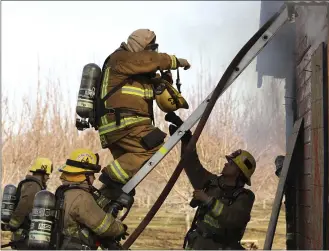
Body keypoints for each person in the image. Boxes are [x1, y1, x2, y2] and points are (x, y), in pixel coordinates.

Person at [96, 28, 191, 200]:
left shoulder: (133, 69)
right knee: (154, 146)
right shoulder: (121, 58)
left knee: (125, 174)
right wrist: (176, 61)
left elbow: (145, 83)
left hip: (118, 126)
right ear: (140, 45)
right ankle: (109, 177)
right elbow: (150, 60)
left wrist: (162, 84)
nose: (152, 52)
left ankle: (105, 199)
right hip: (125, 124)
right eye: (150, 47)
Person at [168, 122, 256, 250]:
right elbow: (192, 165)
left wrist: (208, 201)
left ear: (239, 172)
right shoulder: (211, 182)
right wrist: (187, 141)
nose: (226, 164)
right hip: (197, 245)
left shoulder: (245, 197)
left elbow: (234, 218)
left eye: (231, 163)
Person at [56, 148, 128, 250]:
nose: (94, 178)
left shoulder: (64, 192)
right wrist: (120, 228)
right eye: (92, 174)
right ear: (84, 175)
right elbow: (104, 227)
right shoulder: (81, 196)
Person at [2, 157, 53, 250]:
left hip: (24, 233)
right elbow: (24, 205)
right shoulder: (33, 186)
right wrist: (13, 224)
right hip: (25, 233)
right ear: (43, 173)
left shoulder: (32, 185)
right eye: (47, 174)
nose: (48, 177)